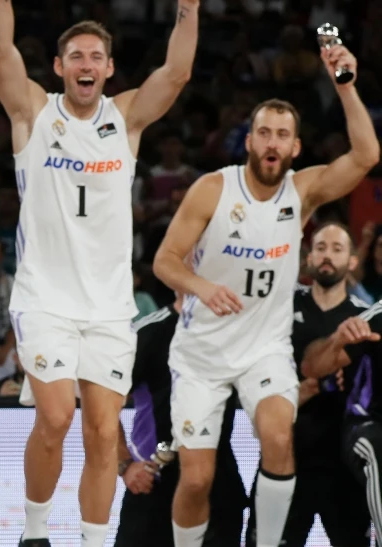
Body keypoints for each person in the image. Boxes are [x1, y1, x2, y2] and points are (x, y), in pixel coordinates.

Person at [0, 0, 206, 546]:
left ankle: (89, 541)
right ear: (58, 67)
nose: (86, 63)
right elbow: (1, 52)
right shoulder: (33, 112)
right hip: (45, 299)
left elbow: (178, 74)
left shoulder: (126, 118)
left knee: (104, 433)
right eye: (75, 55)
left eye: (97, 56)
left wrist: (188, 6)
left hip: (110, 308)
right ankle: (34, 533)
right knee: (54, 416)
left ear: (109, 69)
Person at [153, 43, 378, 547]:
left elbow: (366, 155)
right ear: (249, 141)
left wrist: (345, 85)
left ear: (295, 147)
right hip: (202, 353)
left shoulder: (302, 192)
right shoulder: (212, 189)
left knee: (278, 437)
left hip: (264, 350)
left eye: (282, 134)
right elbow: (164, 261)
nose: (272, 142)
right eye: (264, 133)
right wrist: (201, 286)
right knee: (196, 479)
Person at [243, 223, 372, 546]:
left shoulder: (365, 320)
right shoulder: (278, 310)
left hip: (344, 471)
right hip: (284, 460)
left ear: (353, 262)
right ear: (308, 257)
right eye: (321, 247)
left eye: (337, 249)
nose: (327, 255)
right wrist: (303, 388)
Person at [113, 298, 246, 547]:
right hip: (153, 484)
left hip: (218, 486)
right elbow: (100, 407)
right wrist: (125, 464)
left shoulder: (235, 330)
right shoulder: (149, 332)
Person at [299, 284, 382, 532]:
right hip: (371, 425)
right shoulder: (377, 316)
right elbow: (312, 368)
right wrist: (338, 340)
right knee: (378, 449)